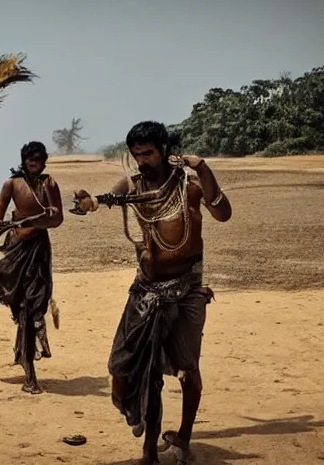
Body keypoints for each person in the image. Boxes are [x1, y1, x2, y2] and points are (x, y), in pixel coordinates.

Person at [72, 121, 232, 464]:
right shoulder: (134, 185)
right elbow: (103, 200)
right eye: (136, 154)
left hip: (187, 288)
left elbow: (223, 213)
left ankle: (177, 441)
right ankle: (136, 413)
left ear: (164, 149)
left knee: (187, 368)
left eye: (148, 153)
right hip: (145, 288)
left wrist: (202, 167)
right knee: (121, 367)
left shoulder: (188, 183)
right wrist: (88, 203)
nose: (142, 160)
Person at [0, 141, 64, 394]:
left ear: (44, 161)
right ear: (23, 160)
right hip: (16, 250)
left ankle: (30, 373)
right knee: (21, 308)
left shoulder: (49, 183)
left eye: (38, 161)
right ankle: (26, 354)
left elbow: (58, 217)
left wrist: (37, 225)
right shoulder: (12, 184)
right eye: (30, 160)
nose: (34, 164)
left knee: (33, 306)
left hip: (39, 251)